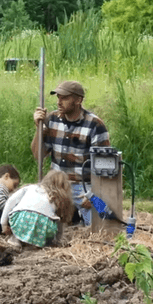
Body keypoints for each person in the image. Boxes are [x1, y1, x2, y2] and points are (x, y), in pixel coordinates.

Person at [31, 80, 110, 225]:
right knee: (38, 221)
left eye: (65, 98)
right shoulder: (51, 119)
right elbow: (38, 155)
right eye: (58, 97)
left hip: (85, 186)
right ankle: (71, 216)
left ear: (78, 100)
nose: (59, 102)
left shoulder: (95, 124)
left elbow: (105, 164)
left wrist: (97, 193)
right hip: (56, 186)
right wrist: (38, 128)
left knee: (104, 224)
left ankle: (78, 215)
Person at [0, 170, 75, 248]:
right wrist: (57, 240)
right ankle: (37, 243)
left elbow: (10, 201)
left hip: (22, 221)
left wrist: (4, 224)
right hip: (43, 227)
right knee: (49, 223)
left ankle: (15, 239)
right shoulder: (58, 198)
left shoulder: (30, 187)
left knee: (20, 213)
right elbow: (60, 221)